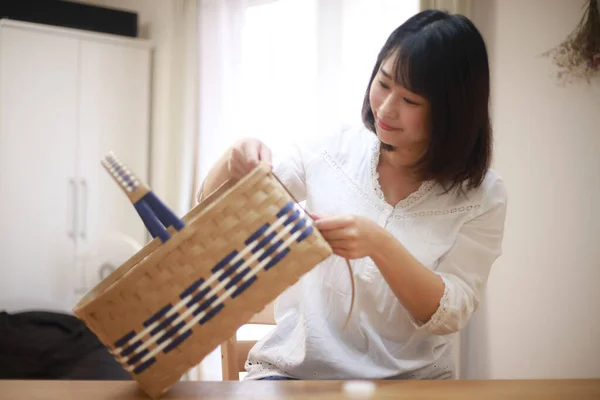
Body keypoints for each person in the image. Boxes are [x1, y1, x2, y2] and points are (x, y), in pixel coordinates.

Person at [198, 9, 507, 381]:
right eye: (384, 82)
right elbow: (212, 219)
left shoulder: (482, 195)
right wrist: (233, 161)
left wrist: (380, 244)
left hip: (413, 384)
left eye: (411, 101)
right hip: (293, 376)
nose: (387, 108)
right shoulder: (330, 151)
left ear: (452, 112)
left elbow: (451, 313)